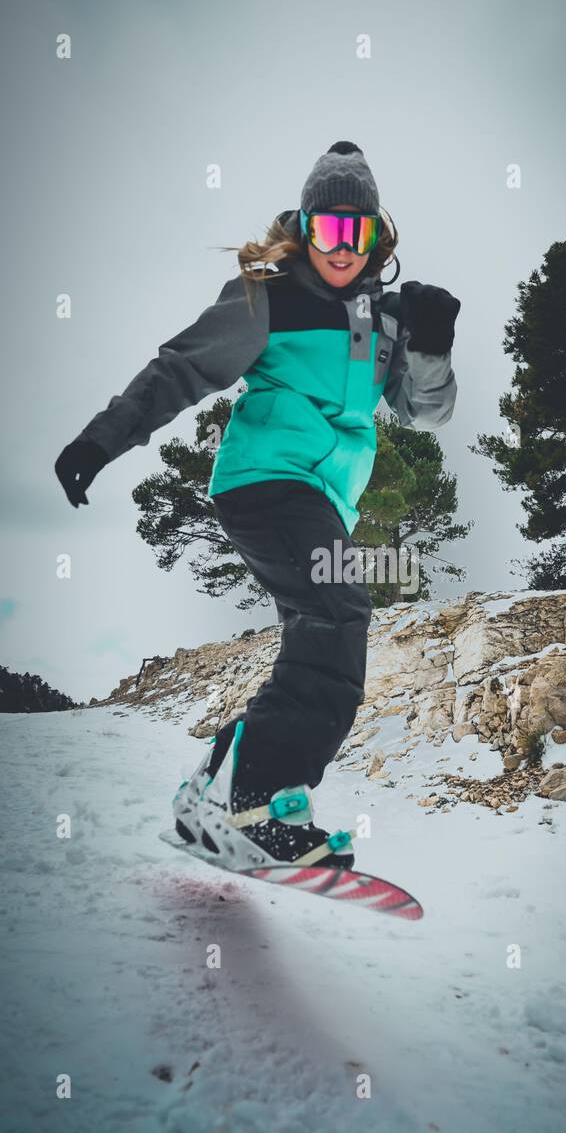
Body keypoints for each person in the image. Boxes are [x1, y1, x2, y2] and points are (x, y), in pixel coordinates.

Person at [55, 141, 460, 870]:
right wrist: (98, 441)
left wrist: (432, 344)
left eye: (356, 233)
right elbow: (181, 368)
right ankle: (262, 801)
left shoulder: (383, 318)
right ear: (304, 228)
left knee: (321, 642)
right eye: (326, 230)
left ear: (376, 235)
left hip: (323, 501)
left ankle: (212, 795)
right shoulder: (267, 293)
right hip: (267, 481)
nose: (341, 249)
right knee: (340, 610)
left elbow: (424, 412)